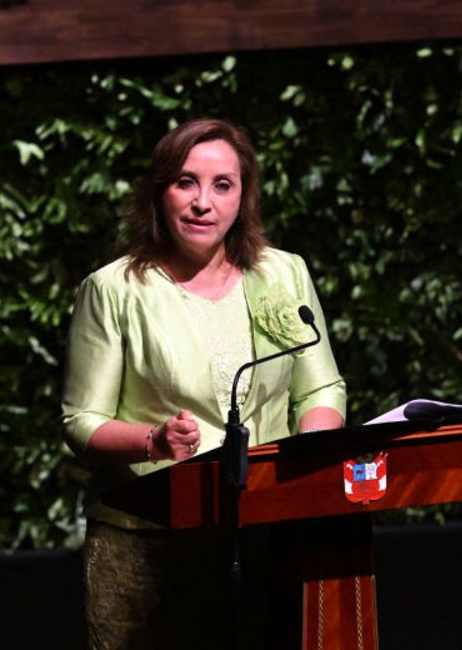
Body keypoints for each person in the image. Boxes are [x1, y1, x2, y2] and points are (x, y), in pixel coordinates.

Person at [61, 118, 346, 649]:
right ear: (159, 192)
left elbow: (321, 389)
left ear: (244, 197)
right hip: (152, 541)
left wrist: (310, 457)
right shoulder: (113, 290)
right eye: (185, 182)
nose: (202, 202)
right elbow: (81, 421)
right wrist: (152, 440)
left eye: (222, 185)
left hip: (270, 531)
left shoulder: (283, 274)